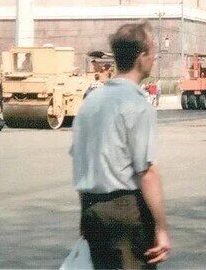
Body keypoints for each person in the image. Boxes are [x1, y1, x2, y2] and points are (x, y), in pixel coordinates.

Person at [71, 21, 171, 268]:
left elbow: (81, 161)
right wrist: (161, 226)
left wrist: (86, 214)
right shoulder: (137, 105)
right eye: (152, 51)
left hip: (92, 208)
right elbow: (146, 172)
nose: (154, 58)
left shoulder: (90, 102)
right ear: (141, 56)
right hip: (126, 213)